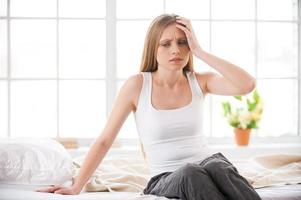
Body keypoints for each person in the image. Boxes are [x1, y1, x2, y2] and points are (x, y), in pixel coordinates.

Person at [38, 14, 261, 200]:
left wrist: (200, 51)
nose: (176, 50)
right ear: (153, 48)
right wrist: (77, 185)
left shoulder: (200, 81)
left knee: (218, 165)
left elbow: (247, 84)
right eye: (166, 44)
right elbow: (105, 139)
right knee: (190, 172)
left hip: (208, 163)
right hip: (165, 177)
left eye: (182, 42)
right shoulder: (137, 85)